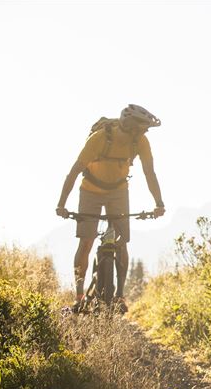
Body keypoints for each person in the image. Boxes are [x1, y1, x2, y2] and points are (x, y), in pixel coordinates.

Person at [56, 104, 166, 310]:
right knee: (86, 241)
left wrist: (159, 203)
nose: (144, 132)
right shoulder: (99, 139)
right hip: (90, 190)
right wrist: (61, 204)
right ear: (132, 127)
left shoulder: (140, 142)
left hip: (118, 191)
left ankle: (120, 296)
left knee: (121, 241)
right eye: (142, 128)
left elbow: (149, 173)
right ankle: (79, 296)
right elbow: (74, 172)